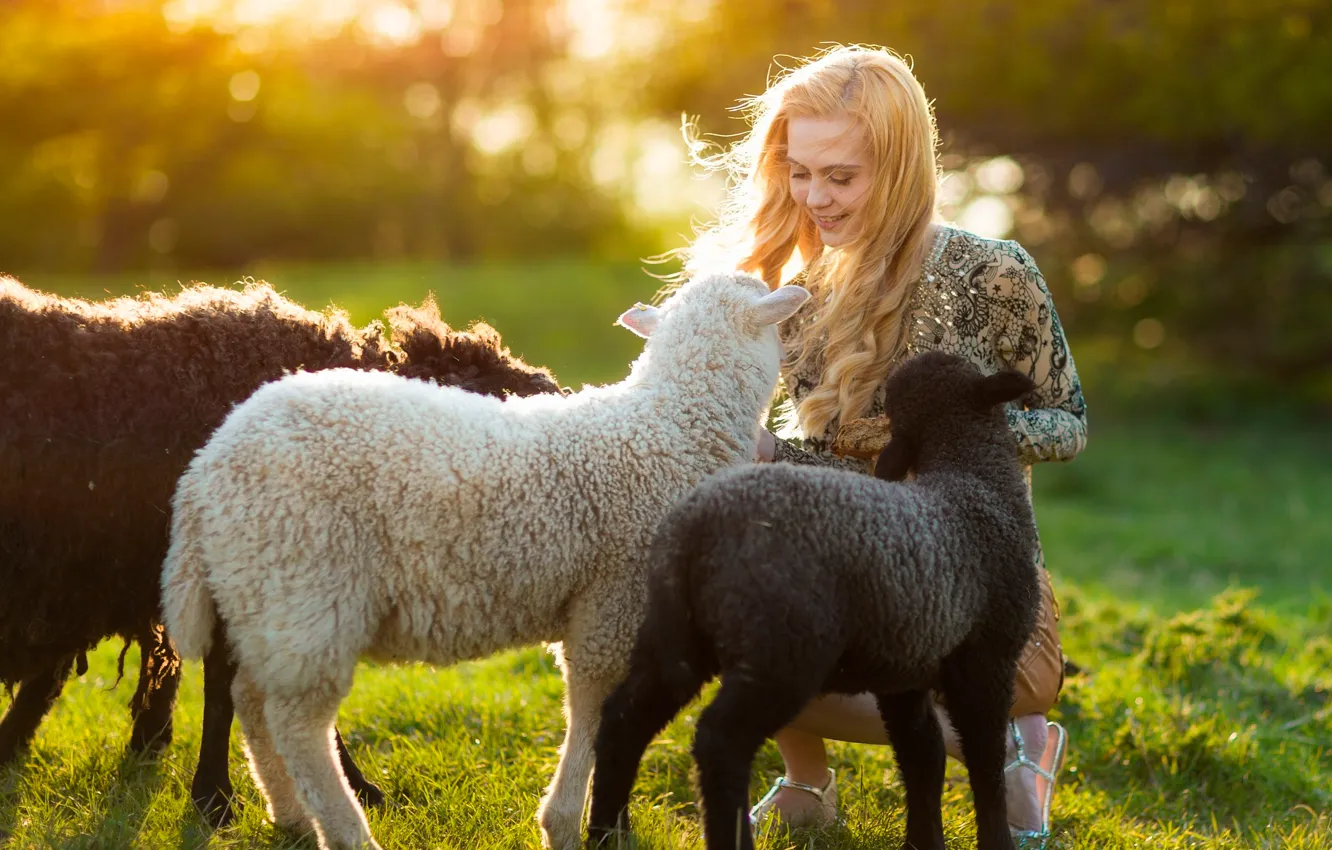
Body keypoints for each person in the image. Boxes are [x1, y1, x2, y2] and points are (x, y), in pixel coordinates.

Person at [667, 45, 1088, 849]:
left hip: (973, 578)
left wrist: (956, 434)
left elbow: (1068, 419)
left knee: (993, 682)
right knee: (723, 628)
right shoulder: (784, 283)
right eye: (800, 171)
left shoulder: (992, 272)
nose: (814, 197)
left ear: (899, 167)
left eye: (842, 176)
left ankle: (1016, 739)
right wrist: (751, 449)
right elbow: (819, 470)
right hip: (841, 565)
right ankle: (807, 782)